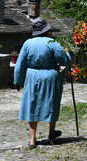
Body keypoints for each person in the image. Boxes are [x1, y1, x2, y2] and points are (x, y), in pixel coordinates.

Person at [14, 17, 71, 148]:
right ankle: (51, 133)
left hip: (33, 76)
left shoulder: (27, 43)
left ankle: (32, 139)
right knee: (52, 103)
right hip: (51, 76)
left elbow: (20, 64)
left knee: (32, 104)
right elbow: (64, 60)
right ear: (46, 30)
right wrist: (67, 54)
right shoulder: (52, 42)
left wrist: (18, 81)